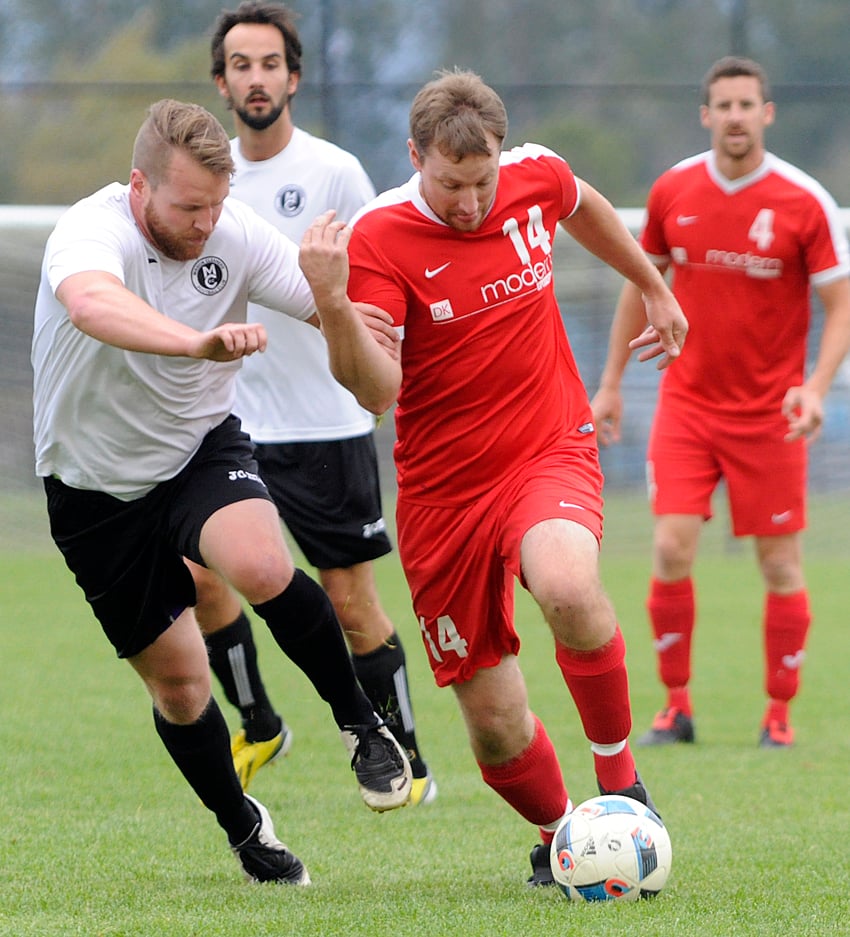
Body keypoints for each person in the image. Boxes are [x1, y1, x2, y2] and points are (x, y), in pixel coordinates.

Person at [297, 68, 688, 885]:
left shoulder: (534, 175)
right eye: (450, 183)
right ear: (415, 157)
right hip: (443, 496)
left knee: (569, 586)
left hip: (547, 445)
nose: (470, 203)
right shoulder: (378, 239)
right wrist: (333, 305)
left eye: (483, 182)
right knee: (496, 726)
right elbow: (375, 391)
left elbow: (584, 205)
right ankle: (562, 839)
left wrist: (650, 284)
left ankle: (623, 785)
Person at [31, 98, 413, 886]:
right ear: (139, 186)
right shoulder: (89, 230)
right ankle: (246, 829)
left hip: (199, 451)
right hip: (92, 490)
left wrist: (339, 301)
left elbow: (345, 319)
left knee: (262, 564)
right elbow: (91, 304)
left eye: (216, 204)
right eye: (188, 206)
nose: (206, 223)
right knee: (178, 684)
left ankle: (362, 724)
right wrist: (194, 341)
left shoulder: (233, 233)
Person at [196, 0, 436, 803]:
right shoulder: (211, 179)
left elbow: (373, 289)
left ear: (293, 76)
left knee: (349, 600)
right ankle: (260, 719)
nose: (256, 77)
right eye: (240, 65)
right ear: (222, 83)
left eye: (269, 63)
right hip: (228, 424)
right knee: (199, 573)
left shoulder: (333, 172)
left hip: (325, 421)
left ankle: (405, 754)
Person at [591, 56, 850, 749]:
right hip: (688, 406)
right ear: (706, 115)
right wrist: (611, 382)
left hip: (771, 415)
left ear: (767, 113)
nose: (735, 116)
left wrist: (816, 389)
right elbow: (638, 286)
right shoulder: (675, 189)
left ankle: (779, 714)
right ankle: (676, 707)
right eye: (723, 106)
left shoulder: (805, 201)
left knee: (778, 564)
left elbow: (840, 303)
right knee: (671, 547)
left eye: (747, 104)